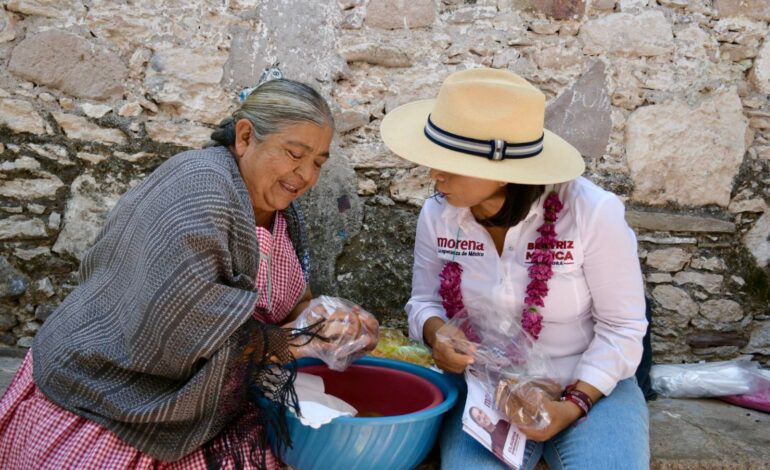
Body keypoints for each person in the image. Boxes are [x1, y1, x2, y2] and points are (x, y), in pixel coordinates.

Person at [0, 78, 377, 469]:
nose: (306, 176)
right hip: (119, 390)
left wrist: (330, 318)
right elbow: (179, 330)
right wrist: (298, 342)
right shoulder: (199, 191)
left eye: (317, 162)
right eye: (294, 153)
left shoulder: (282, 211)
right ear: (246, 136)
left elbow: (289, 302)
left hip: (219, 386)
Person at [381, 68, 649, 469]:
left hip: (588, 386)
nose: (433, 173)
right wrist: (438, 335)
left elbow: (623, 329)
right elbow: (423, 301)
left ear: (504, 174)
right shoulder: (438, 214)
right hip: (485, 389)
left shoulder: (592, 213)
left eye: (449, 162)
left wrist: (573, 404)